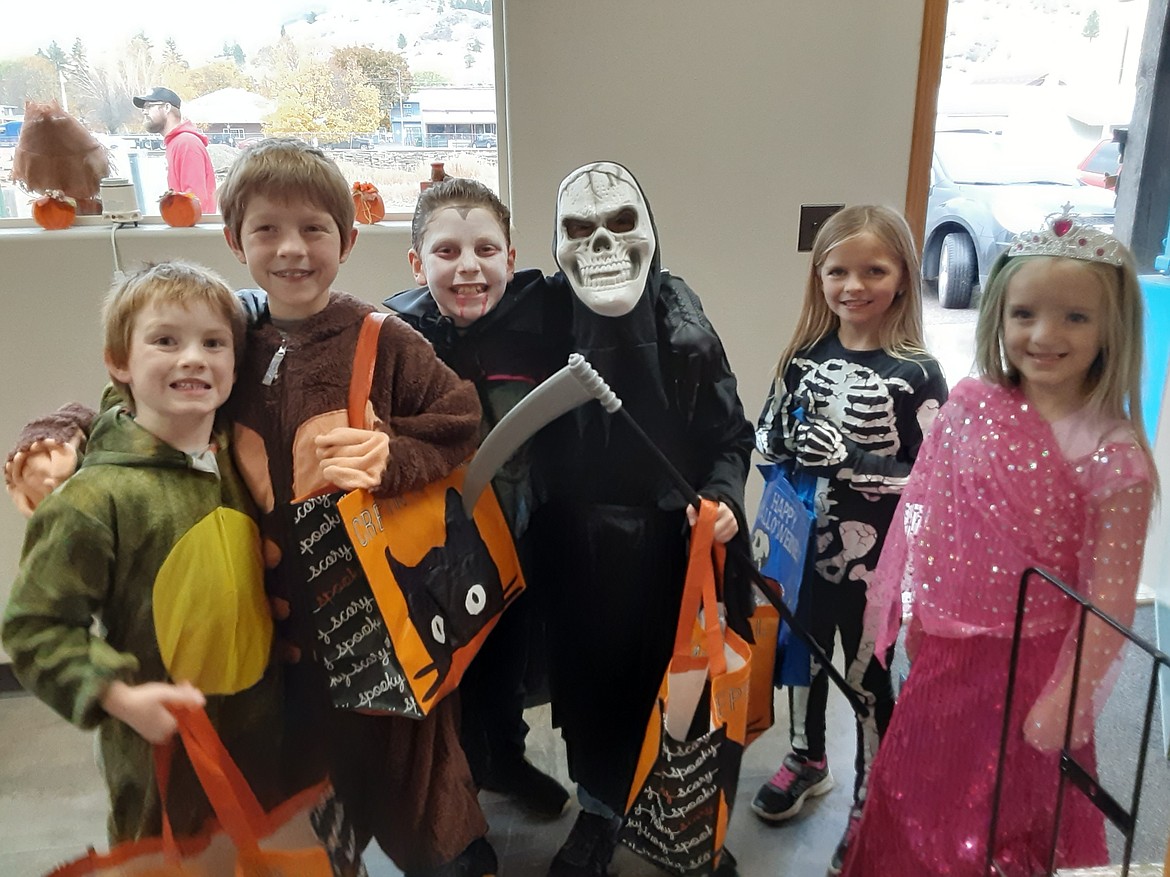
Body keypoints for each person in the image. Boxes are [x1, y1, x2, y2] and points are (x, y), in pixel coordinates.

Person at [5, 138, 492, 877]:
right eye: (266, 229)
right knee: (294, 818)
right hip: (269, 660)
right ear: (235, 238)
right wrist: (56, 430)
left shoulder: (382, 336)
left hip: (379, 629)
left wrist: (393, 456)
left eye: (313, 229)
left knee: (420, 804)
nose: (291, 248)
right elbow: (135, 390)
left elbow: (459, 418)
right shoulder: (229, 326)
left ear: (348, 237)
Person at [841, 212, 1157, 877]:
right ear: (999, 318)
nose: (1044, 335)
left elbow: (1110, 600)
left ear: (1112, 328)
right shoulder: (969, 405)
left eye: (1075, 317)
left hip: (1037, 669)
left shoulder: (1117, 457)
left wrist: (1066, 701)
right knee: (915, 797)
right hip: (947, 655)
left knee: (1000, 827)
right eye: (1025, 314)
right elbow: (928, 508)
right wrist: (915, 605)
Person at [1, 261, 286, 847]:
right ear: (119, 360)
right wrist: (118, 695)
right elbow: (34, 626)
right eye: (165, 340)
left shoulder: (239, 456)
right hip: (163, 752)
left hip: (262, 732)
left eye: (214, 342)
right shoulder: (93, 499)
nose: (193, 358)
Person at [528, 160, 755, 877]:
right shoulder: (538, 312)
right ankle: (599, 811)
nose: (601, 245)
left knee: (684, 690)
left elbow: (730, 437)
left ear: (650, 231)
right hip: (576, 553)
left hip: (671, 551)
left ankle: (685, 821)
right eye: (579, 230)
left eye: (620, 224)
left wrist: (719, 502)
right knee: (592, 693)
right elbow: (450, 318)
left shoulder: (685, 327)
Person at [752, 204, 948, 875]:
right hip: (803, 551)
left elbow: (932, 477)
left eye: (874, 269)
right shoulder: (803, 356)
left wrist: (848, 462)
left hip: (874, 565)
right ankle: (808, 757)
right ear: (819, 277)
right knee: (800, 661)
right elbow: (765, 436)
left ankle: (875, 791)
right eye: (838, 270)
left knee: (866, 678)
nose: (853, 284)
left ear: (902, 278)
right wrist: (781, 442)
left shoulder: (918, 373)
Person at [384, 177, 572, 819]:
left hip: (519, 535)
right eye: (446, 253)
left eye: (487, 250)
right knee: (450, 674)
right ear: (417, 263)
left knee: (508, 662)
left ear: (511, 258)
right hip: (434, 549)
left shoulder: (542, 318)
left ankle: (505, 760)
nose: (469, 267)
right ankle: (452, 793)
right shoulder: (392, 336)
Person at [133, 86, 217, 213]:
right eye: (144, 108)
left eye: (149, 106)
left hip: (191, 230)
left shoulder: (186, 143)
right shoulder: (176, 143)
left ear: (167, 108)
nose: (144, 112)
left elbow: (195, 201)